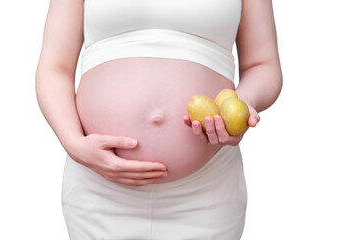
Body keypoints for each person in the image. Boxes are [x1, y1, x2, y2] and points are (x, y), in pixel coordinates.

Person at [36, 0, 282, 239]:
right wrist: (73, 144)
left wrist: (240, 103)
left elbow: (263, 65)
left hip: (206, 191)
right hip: (99, 189)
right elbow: (55, 67)